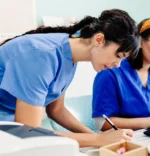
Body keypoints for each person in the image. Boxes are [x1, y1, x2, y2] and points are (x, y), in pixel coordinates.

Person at [0, 9, 139, 147]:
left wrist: (98, 137)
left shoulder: (69, 55)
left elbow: (56, 110)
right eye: (118, 56)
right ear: (99, 39)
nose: (117, 65)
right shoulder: (42, 55)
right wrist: (97, 140)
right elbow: (29, 132)